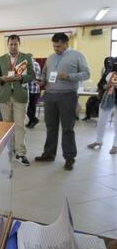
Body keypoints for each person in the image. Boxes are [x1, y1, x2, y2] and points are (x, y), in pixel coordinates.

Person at [35, 33, 90, 170]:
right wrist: (41, 80)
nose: (56, 49)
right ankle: (49, 154)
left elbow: (86, 73)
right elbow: (44, 73)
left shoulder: (77, 55)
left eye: (58, 46)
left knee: (67, 128)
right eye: (54, 46)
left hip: (68, 96)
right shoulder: (51, 57)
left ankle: (69, 157)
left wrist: (69, 76)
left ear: (66, 43)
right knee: (51, 127)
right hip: (50, 96)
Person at [0, 35, 35, 166]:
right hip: (5, 95)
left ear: (19, 44)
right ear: (8, 45)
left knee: (19, 125)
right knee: (6, 125)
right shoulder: (1, 59)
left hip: (20, 95)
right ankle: (7, 151)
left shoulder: (26, 58)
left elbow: (32, 75)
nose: (13, 46)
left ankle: (20, 153)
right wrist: (2, 79)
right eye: (11, 44)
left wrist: (21, 78)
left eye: (15, 44)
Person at [87, 59, 117, 154]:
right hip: (107, 98)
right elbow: (101, 84)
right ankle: (98, 142)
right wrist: (106, 86)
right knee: (101, 121)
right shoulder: (109, 71)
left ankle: (115, 145)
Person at [26, 53, 41, 128]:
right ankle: (31, 122)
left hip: (30, 87)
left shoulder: (30, 64)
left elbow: (30, 76)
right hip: (36, 89)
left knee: (26, 106)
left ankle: (33, 119)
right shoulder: (37, 64)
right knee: (32, 106)